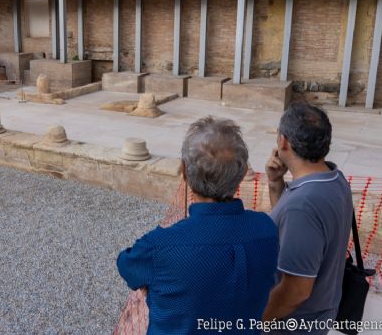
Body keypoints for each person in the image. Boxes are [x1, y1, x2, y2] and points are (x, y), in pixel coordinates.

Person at [116, 117, 278, 334]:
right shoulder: (267, 230)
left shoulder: (160, 246)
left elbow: (127, 264)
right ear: (240, 176)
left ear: (184, 172)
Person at [262, 102, 353, 334]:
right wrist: (276, 183)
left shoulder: (302, 206)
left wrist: (256, 322)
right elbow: (289, 228)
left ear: (283, 142)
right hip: (321, 314)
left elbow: (296, 291)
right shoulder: (335, 178)